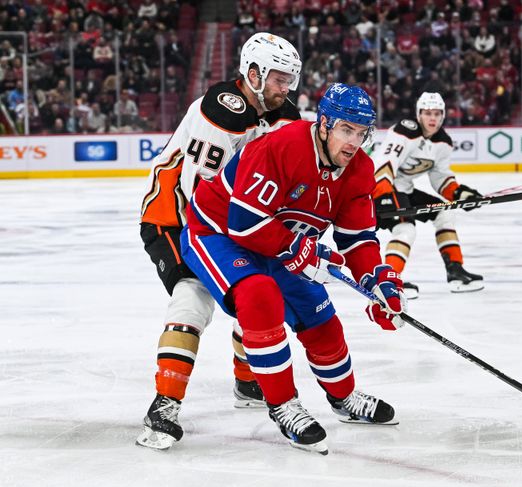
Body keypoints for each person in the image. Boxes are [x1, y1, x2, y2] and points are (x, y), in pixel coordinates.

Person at [179, 84, 405, 454]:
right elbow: (244, 222)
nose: (354, 142)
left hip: (279, 241)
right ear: (325, 124)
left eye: (361, 133)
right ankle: (283, 404)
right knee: (259, 295)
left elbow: (358, 238)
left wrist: (377, 283)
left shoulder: (360, 170)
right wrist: (300, 249)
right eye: (346, 130)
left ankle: (343, 397)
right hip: (218, 232)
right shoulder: (281, 145)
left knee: (321, 319)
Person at [137, 32, 302, 450]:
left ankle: (248, 383)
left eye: (291, 79)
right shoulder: (221, 110)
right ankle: (164, 404)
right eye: (280, 79)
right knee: (192, 295)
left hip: (231, 219)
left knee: (257, 292)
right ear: (253, 73)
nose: (288, 88)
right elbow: (200, 192)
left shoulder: (285, 115)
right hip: (175, 216)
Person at [371, 91, 484, 299]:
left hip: (403, 189)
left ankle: (455, 272)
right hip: (377, 188)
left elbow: (440, 178)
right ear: (418, 114)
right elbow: (385, 164)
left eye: (437, 113)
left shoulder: (444, 142)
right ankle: (388, 281)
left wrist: (460, 194)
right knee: (405, 228)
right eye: (427, 113)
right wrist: (383, 196)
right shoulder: (405, 131)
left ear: (443, 115)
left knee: (445, 214)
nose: (432, 118)